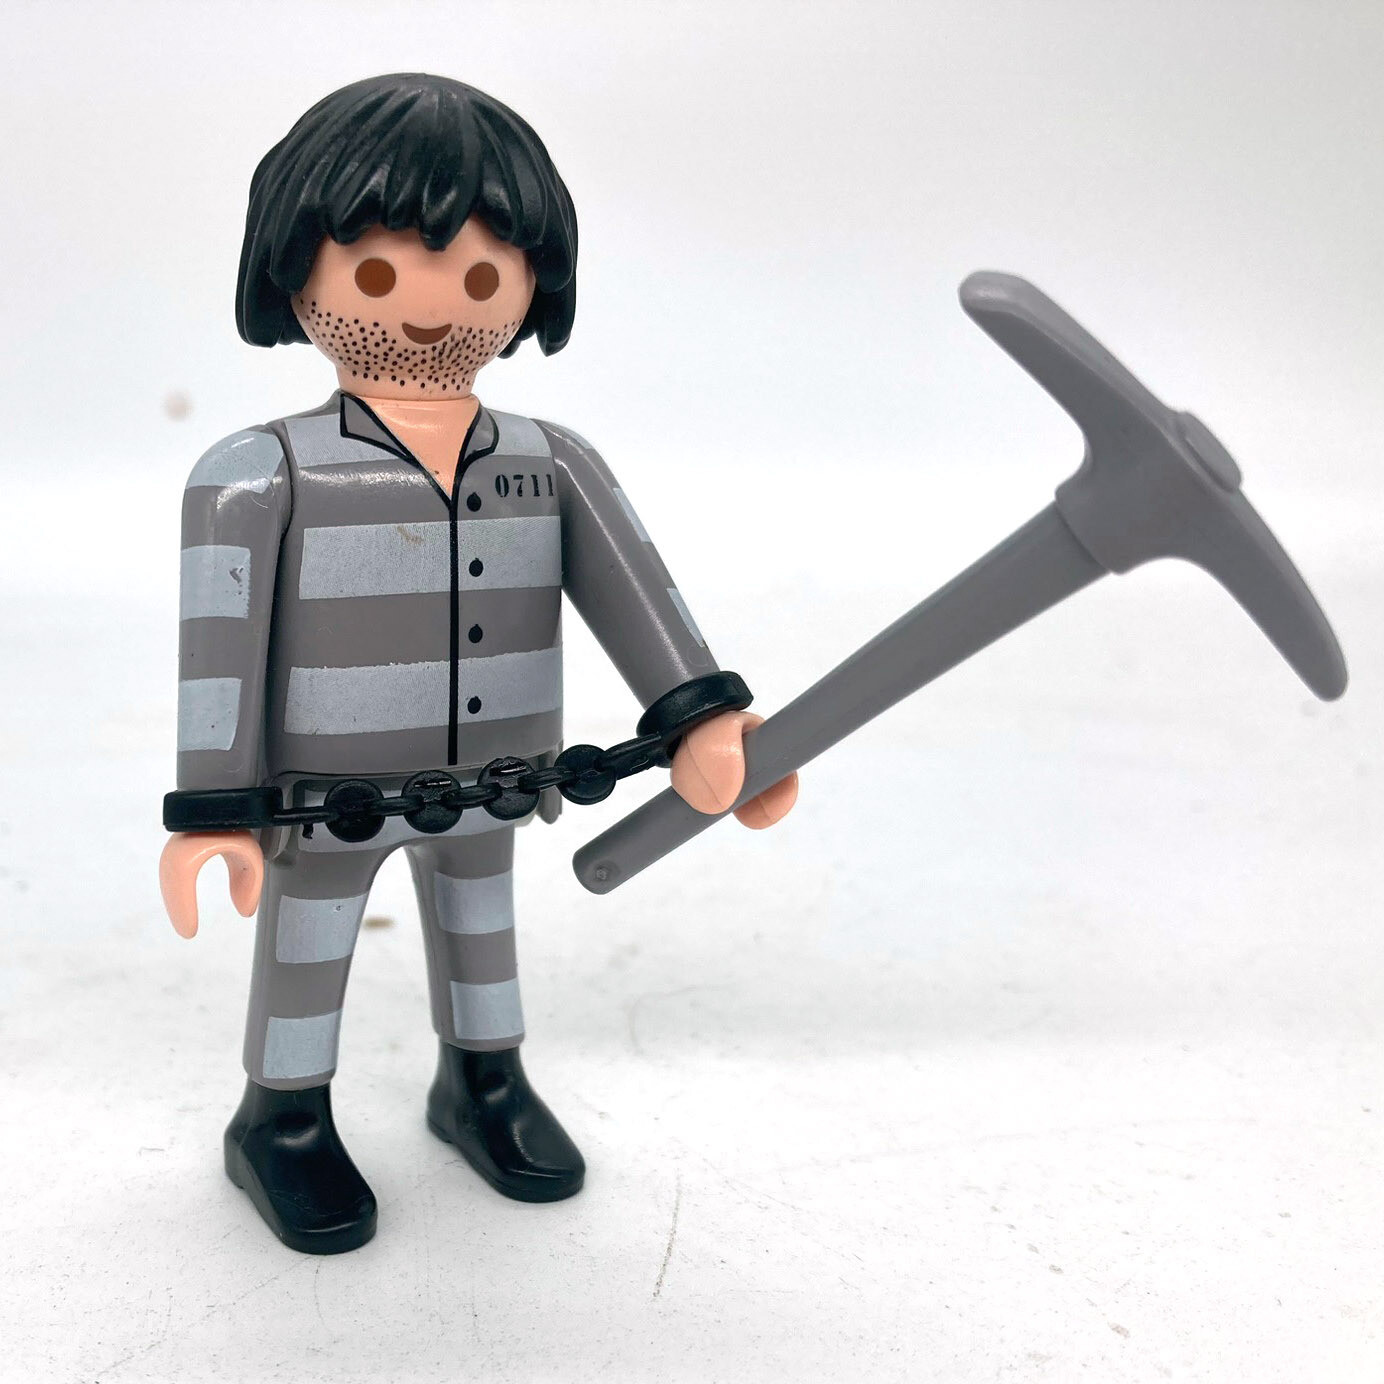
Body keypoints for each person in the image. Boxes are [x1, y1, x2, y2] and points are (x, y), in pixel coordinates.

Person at [158, 73, 797, 1255]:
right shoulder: (257, 474)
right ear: (292, 272)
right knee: (307, 941)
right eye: (379, 274)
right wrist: (214, 808)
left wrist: (701, 719)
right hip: (326, 790)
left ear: (531, 286)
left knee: (480, 928)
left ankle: (483, 1082)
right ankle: (281, 1117)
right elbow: (219, 648)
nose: (432, 308)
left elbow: (640, 598)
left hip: (496, 776)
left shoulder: (554, 462)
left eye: (483, 276)